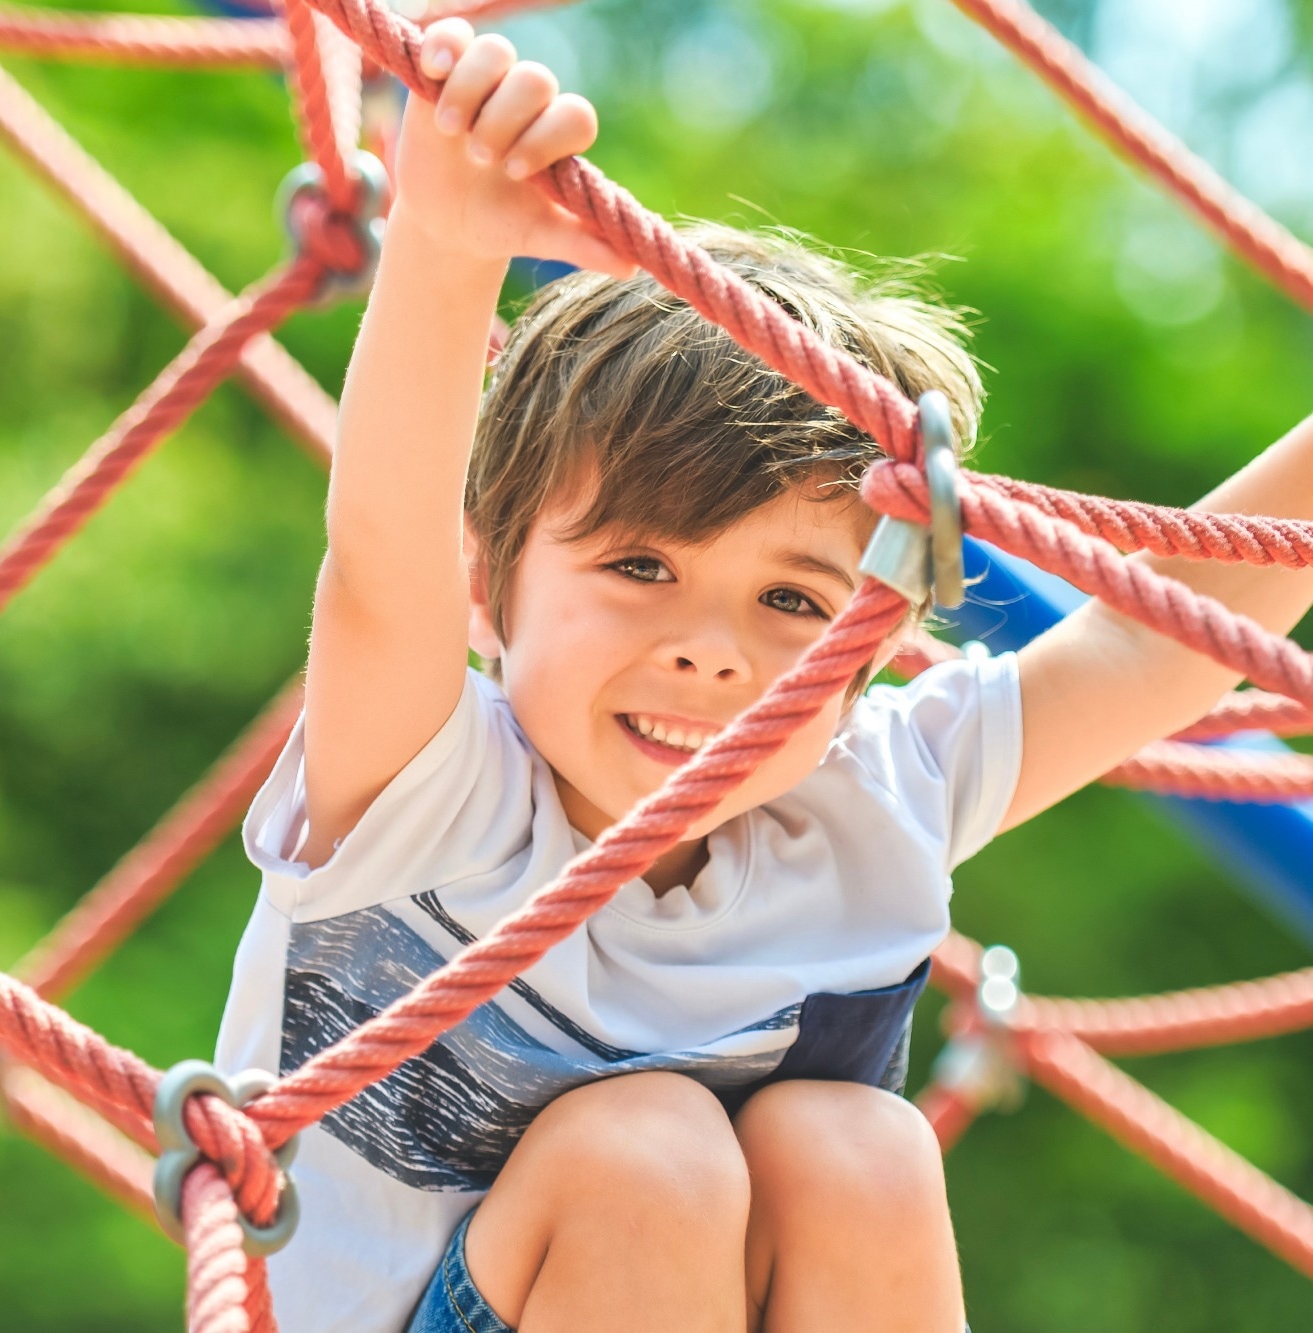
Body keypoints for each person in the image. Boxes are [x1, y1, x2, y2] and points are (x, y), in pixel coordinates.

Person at [215, 17, 1313, 1333]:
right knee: (645, 1153)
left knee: (861, 1149)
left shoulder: (865, 804)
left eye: (793, 598)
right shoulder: (422, 794)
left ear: (869, 643)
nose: (713, 645)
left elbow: (1156, 637)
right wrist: (447, 249)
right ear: (490, 583)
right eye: (638, 564)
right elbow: (378, 559)